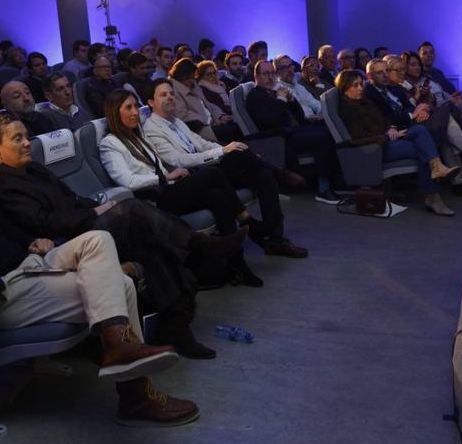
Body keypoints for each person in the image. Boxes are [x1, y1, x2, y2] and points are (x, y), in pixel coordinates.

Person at [0, 130, 198, 426]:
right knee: (122, 285)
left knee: (97, 238)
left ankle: (119, 346)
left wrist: (31, 241)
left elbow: (1, 227)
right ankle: (135, 393)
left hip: (27, 263)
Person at [0, 113, 233, 352]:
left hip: (84, 225)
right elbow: (44, 222)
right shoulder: (3, 185)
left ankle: (177, 326)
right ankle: (197, 245)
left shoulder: (36, 169)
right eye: (17, 139)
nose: (27, 143)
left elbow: (74, 198)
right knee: (133, 210)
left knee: (151, 246)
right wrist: (96, 213)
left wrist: (100, 207)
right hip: (67, 243)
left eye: (26, 136)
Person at [100, 90, 262, 287]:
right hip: (149, 203)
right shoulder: (109, 144)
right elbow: (127, 181)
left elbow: (157, 164)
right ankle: (245, 218)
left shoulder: (137, 135)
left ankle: (238, 265)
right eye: (128, 108)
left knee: (217, 195)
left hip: (166, 189)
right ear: (115, 113)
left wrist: (170, 175)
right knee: (211, 174)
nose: (135, 112)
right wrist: (164, 176)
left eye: (135, 106)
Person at [142, 79, 307, 258]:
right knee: (240, 154)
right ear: (151, 102)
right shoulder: (152, 129)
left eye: (172, 93)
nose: (170, 97)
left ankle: (276, 240)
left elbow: (202, 143)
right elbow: (180, 160)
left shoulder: (176, 121)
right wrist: (223, 151)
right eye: (163, 95)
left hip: (210, 170)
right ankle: (280, 173)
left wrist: (224, 149)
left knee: (263, 174)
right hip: (193, 180)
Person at [334, 70, 457, 216]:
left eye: (361, 84)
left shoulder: (364, 101)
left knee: (419, 131)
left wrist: (391, 127)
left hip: (390, 135)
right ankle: (434, 196)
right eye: (355, 85)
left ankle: (436, 169)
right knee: (423, 150)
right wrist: (386, 135)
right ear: (344, 88)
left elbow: (383, 118)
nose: (360, 88)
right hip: (377, 147)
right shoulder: (347, 109)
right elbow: (358, 138)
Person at [246, 60, 339, 205]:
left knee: (330, 129)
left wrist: (291, 100)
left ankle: (337, 180)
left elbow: (300, 117)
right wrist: (282, 99)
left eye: (272, 73)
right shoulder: (255, 96)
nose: (271, 77)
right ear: (256, 76)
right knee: (323, 137)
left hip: (293, 131)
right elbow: (271, 120)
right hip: (279, 139)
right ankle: (324, 188)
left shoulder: (272, 92)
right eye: (266, 74)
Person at [169, 58, 239, 143]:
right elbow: (182, 114)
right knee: (232, 131)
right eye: (188, 78)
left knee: (237, 126)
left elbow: (209, 105)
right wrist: (207, 120)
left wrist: (220, 116)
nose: (191, 81)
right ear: (180, 77)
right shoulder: (173, 90)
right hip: (200, 129)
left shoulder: (194, 86)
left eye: (192, 78)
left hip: (213, 122)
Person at [275, 54, 322, 121]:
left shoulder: (299, 87)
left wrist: (324, 113)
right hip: (302, 126)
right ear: (277, 72)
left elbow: (315, 104)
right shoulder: (278, 89)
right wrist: (311, 117)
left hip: (315, 122)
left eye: (290, 66)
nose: (289, 70)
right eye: (284, 67)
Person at [196, 60, 237, 127]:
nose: (213, 76)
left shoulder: (221, 85)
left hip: (230, 115)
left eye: (214, 73)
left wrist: (225, 89)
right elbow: (215, 106)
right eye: (209, 74)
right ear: (201, 76)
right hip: (219, 119)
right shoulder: (203, 89)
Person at [83, 54, 119, 120]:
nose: (107, 69)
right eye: (103, 67)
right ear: (95, 71)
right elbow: (102, 111)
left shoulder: (113, 81)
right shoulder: (92, 87)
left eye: (109, 67)